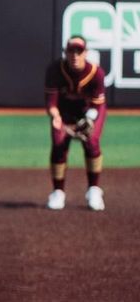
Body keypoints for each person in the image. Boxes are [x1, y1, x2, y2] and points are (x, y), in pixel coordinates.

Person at [44, 35, 107, 211]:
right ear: (65, 52)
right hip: (64, 113)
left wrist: (88, 119)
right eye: (71, 51)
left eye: (79, 51)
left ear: (86, 53)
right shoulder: (55, 70)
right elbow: (51, 102)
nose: (75, 55)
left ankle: (94, 190)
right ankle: (58, 192)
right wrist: (55, 116)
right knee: (58, 144)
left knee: (92, 142)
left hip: (90, 111)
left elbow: (97, 103)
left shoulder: (96, 73)